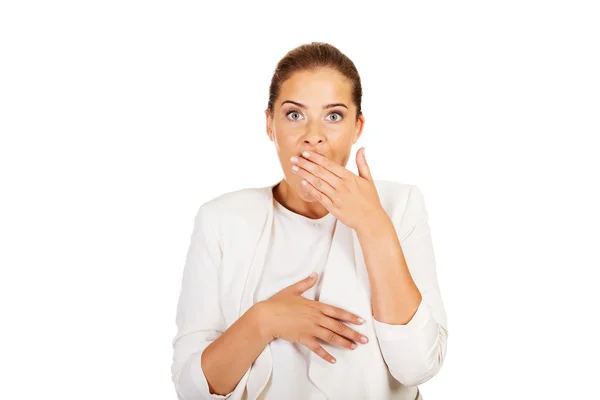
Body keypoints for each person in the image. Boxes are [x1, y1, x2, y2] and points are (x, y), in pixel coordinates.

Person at [171, 42, 448, 400]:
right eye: (294, 114)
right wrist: (264, 320)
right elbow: (192, 388)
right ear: (270, 124)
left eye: (333, 116)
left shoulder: (400, 205)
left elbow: (419, 366)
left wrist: (374, 226)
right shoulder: (220, 220)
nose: (313, 136)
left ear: (356, 127)